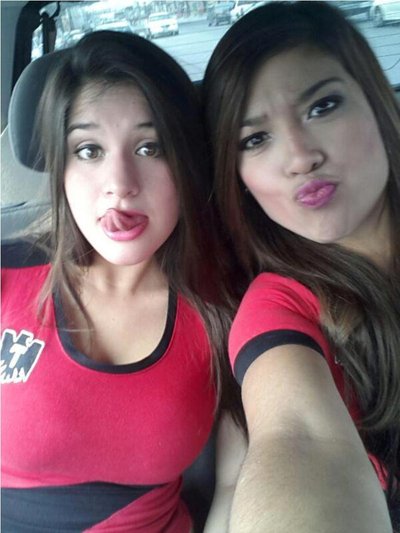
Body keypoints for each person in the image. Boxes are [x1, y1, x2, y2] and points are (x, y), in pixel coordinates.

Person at [1, 30, 243, 532]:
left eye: (150, 148)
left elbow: (238, 483)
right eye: (89, 150)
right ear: (60, 167)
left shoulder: (226, 305)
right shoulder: (8, 274)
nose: (120, 185)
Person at [203, 1, 400, 532]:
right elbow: (298, 440)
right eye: (256, 139)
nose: (299, 157)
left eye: (323, 106)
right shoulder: (279, 307)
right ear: (239, 177)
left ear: (377, 101)